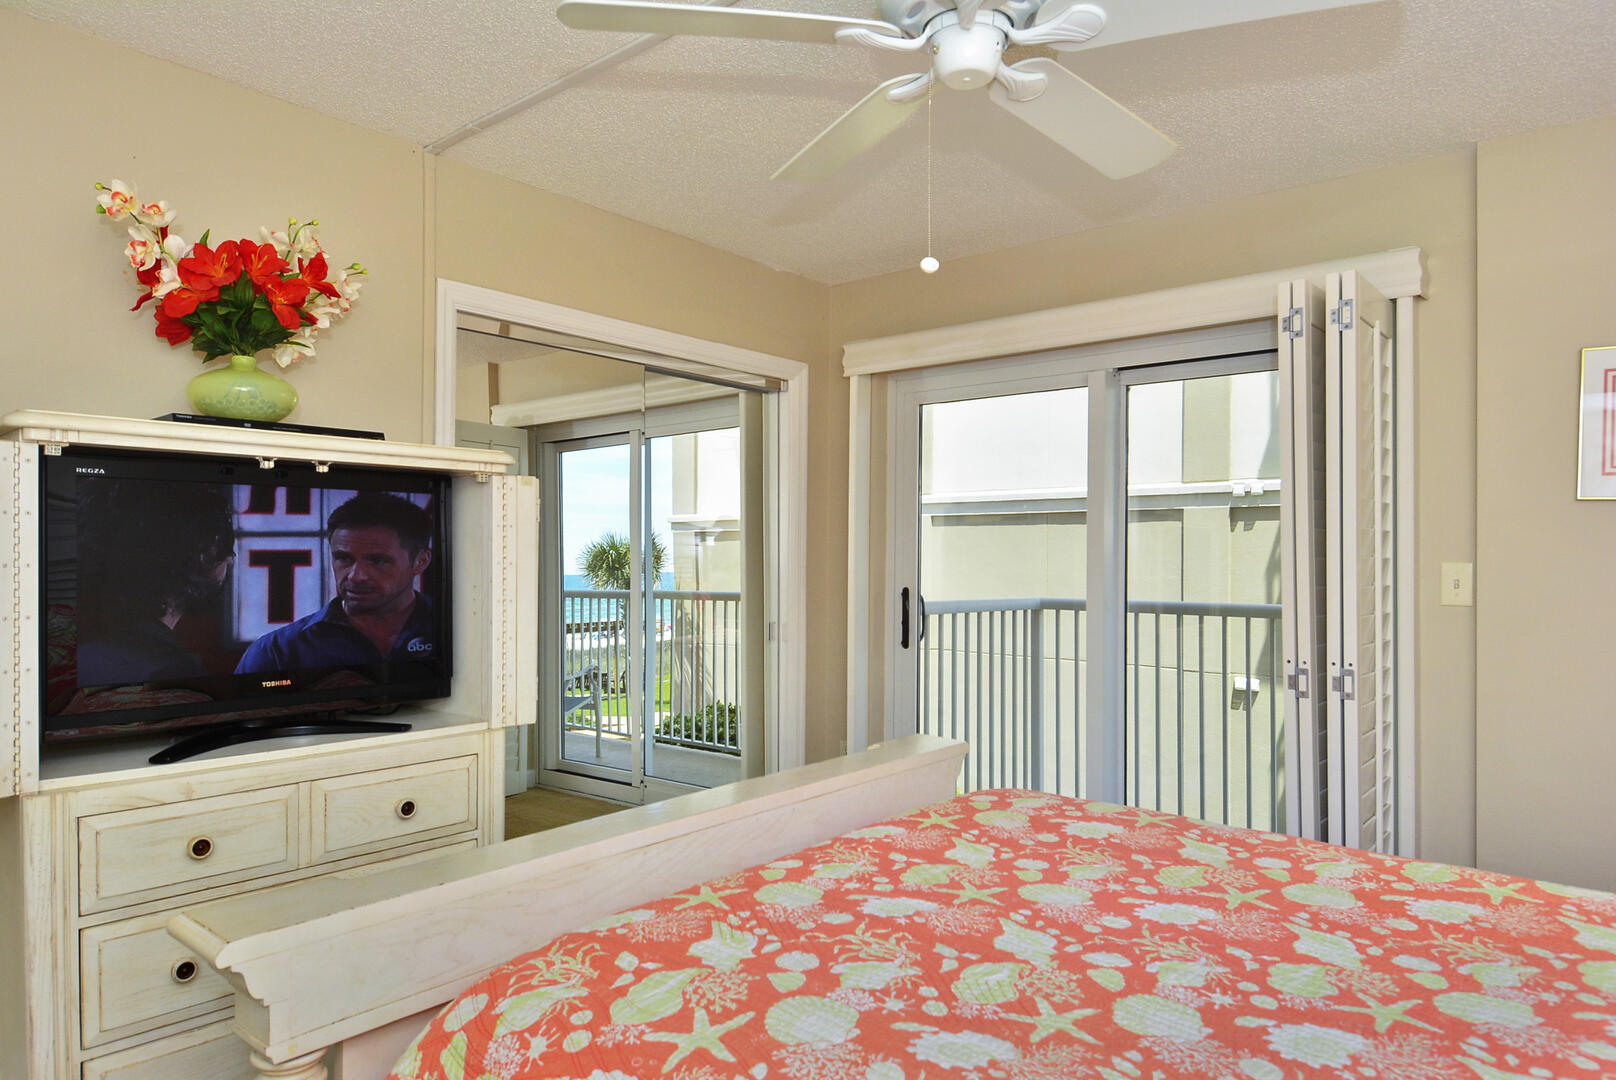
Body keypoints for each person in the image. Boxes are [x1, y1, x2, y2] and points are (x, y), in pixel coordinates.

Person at [235, 492, 437, 673]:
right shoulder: (277, 653)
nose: (356, 576)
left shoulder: (456, 630)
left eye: (378, 561)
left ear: (421, 561)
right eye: (344, 559)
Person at [75, 479, 237, 687]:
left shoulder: (84, 651)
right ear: (197, 553)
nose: (230, 558)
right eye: (217, 544)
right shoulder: (169, 670)